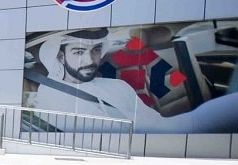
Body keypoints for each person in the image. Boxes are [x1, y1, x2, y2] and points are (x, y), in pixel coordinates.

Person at [33, 28, 238, 133]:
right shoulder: (52, 95)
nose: (90, 60)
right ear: (60, 57)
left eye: (95, 50)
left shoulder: (116, 85)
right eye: (78, 52)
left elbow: (154, 122)